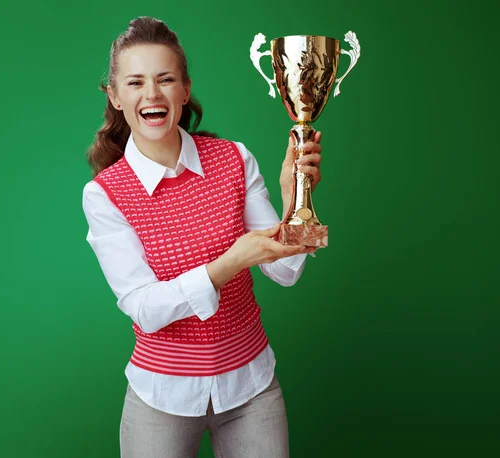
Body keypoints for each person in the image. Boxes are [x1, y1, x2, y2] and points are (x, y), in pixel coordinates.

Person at [82, 16, 323, 458]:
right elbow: (144, 309)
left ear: (185, 90)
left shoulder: (233, 158)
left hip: (251, 387)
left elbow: (285, 271)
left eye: (166, 79)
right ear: (116, 97)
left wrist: (293, 201)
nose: (152, 94)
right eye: (135, 83)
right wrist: (228, 263)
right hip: (161, 398)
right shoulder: (105, 195)